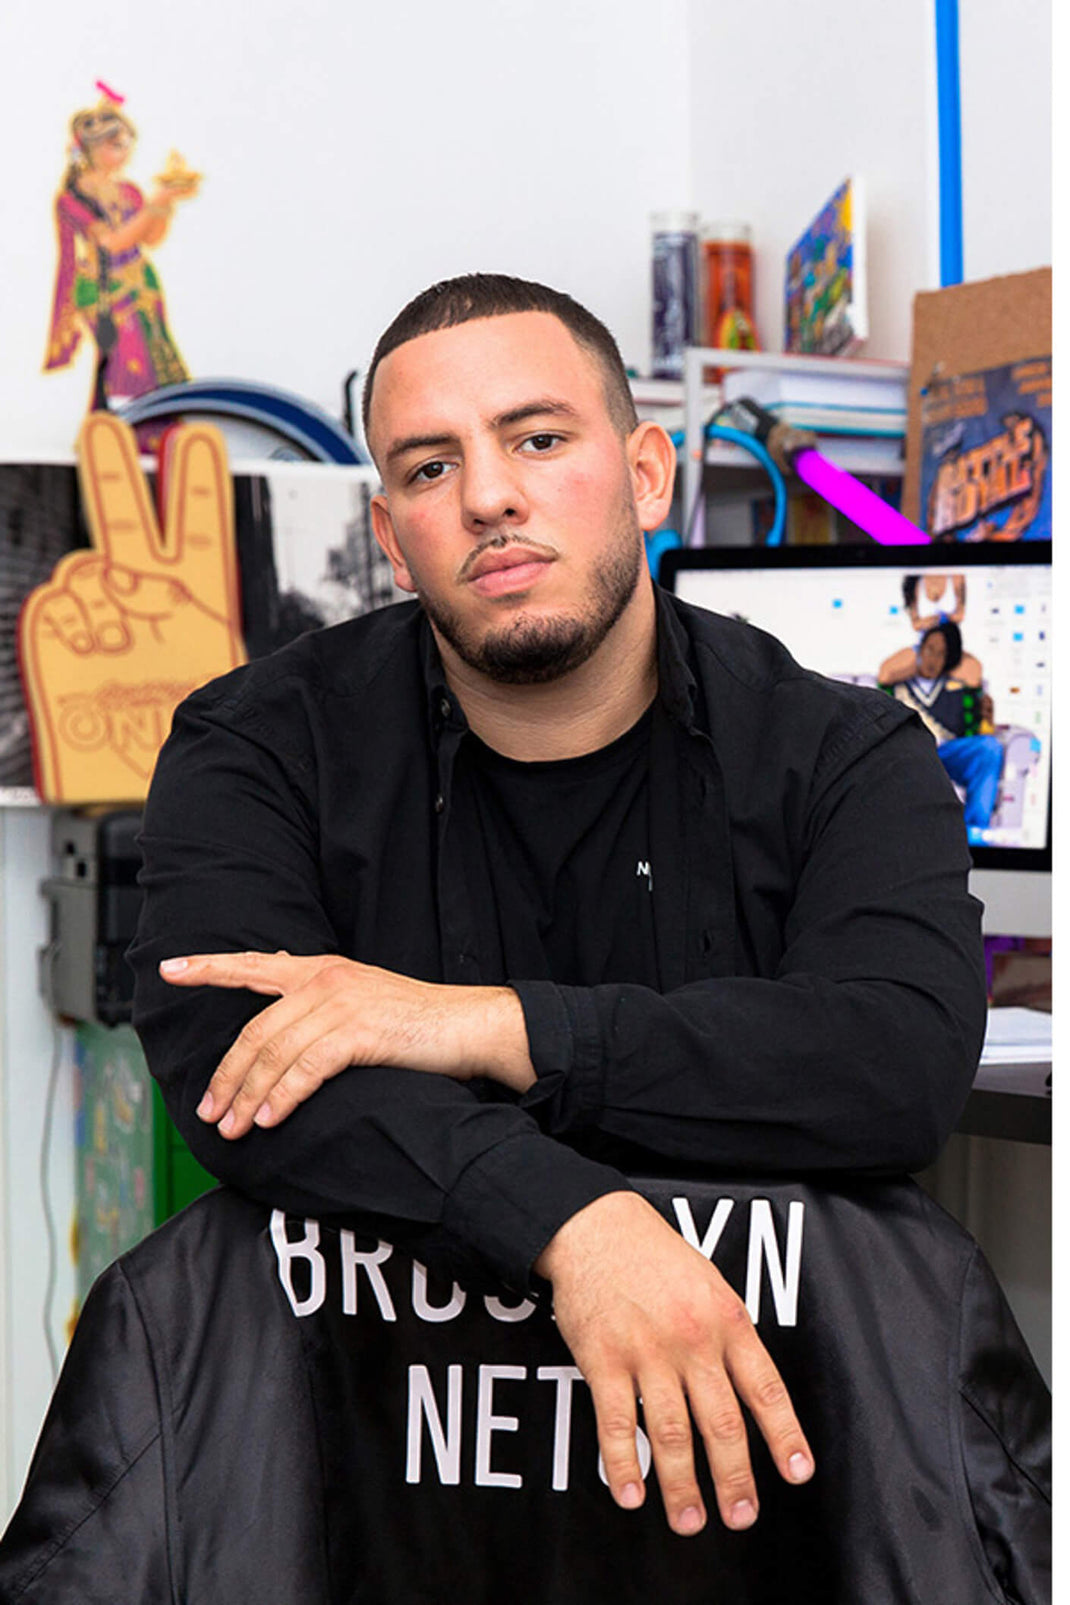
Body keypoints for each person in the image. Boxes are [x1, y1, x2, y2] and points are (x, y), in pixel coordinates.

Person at [129, 273, 986, 1544]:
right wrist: (574, 1223)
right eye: (429, 468)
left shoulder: (841, 754)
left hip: (764, 1496)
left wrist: (479, 1027)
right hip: (366, 1497)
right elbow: (232, 1061)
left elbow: (894, 1062)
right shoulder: (257, 746)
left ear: (646, 473)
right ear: (389, 529)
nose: (486, 496)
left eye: (537, 439)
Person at [44, 88, 197, 412]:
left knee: (156, 359)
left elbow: (150, 238)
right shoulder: (72, 197)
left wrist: (164, 204)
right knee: (127, 361)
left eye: (128, 144)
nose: (126, 152)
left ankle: (158, 424)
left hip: (141, 280)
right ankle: (123, 423)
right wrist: (155, 203)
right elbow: (111, 243)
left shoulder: (129, 190)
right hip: (103, 290)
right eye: (116, 145)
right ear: (92, 148)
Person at [878, 620, 1004, 839]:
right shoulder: (895, 684)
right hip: (908, 755)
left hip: (946, 754)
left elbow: (974, 734)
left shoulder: (958, 689)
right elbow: (885, 675)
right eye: (929, 649)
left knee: (990, 748)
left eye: (941, 654)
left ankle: (973, 832)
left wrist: (986, 720)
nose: (932, 659)